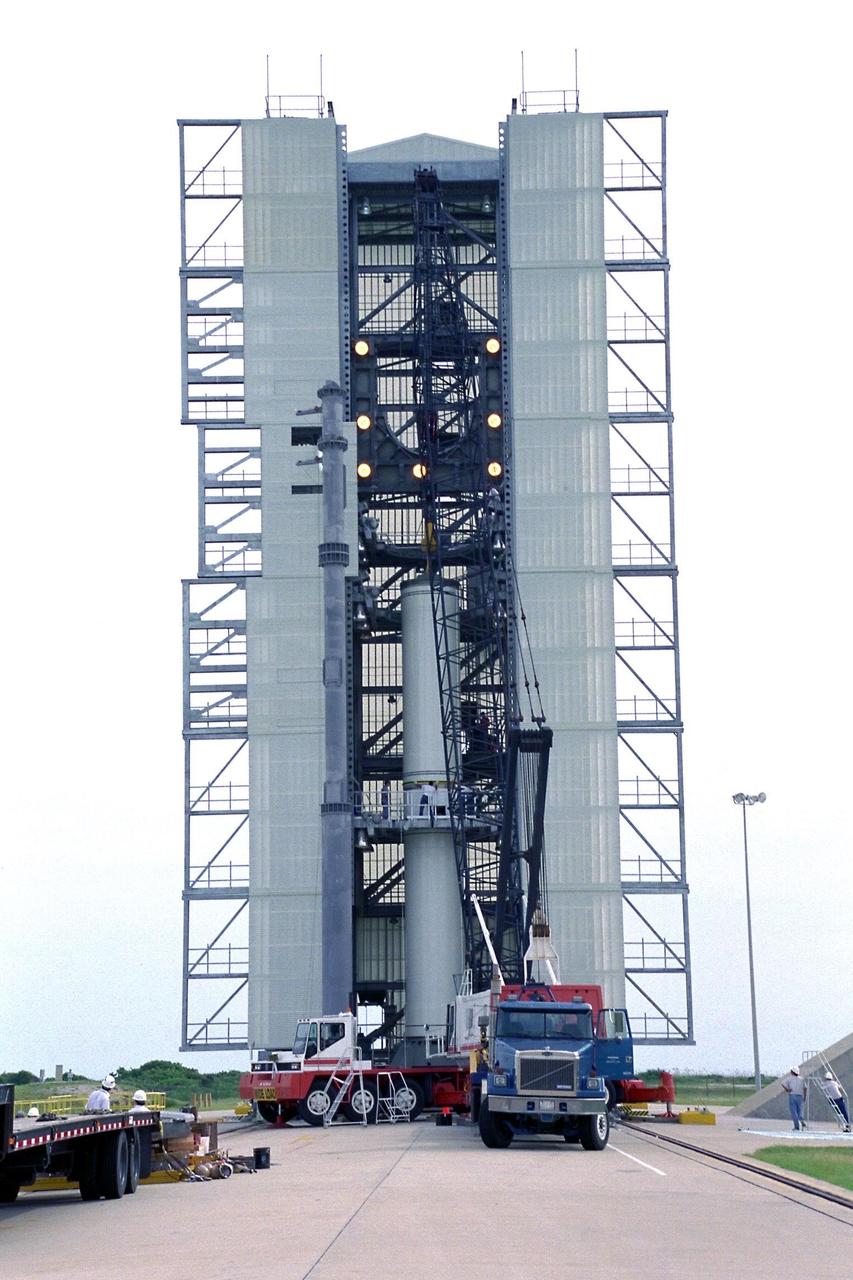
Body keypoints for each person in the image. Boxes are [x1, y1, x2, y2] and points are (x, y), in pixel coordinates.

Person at [781, 1066, 807, 1131]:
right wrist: (805, 1096)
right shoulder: (801, 1079)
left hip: (792, 1095)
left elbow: (782, 1083)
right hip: (800, 1096)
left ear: (792, 1072)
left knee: (794, 1111)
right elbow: (805, 1088)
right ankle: (802, 1121)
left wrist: (787, 1089)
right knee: (800, 1110)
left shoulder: (789, 1078)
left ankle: (796, 1126)